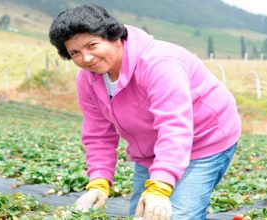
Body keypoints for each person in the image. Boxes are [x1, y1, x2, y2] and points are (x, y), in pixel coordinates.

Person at [48, 4, 241, 220]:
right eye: (75, 53)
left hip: (204, 139)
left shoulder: (159, 63)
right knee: (143, 216)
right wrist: (99, 182)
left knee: (177, 216)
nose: (87, 58)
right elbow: (98, 134)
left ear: (113, 36)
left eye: (92, 45)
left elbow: (174, 127)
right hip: (151, 149)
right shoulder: (87, 79)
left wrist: (160, 187)